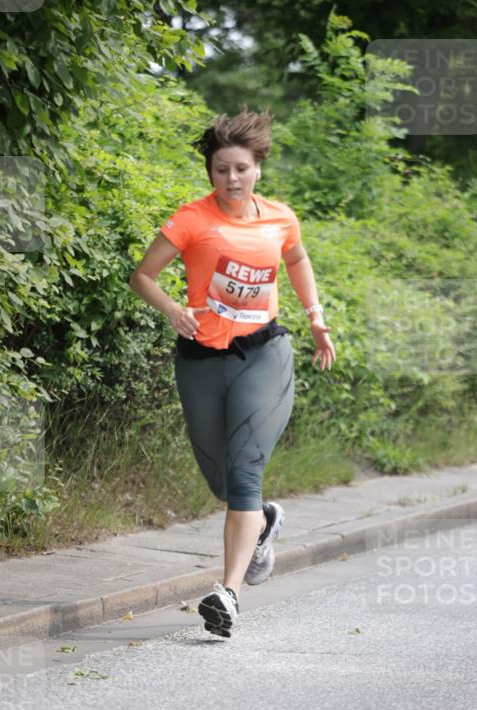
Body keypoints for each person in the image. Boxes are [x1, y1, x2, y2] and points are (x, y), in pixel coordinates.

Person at [129, 108, 335, 638]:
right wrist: (173, 309)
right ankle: (264, 522)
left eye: (241, 168)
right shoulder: (192, 219)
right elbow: (143, 275)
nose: (232, 179)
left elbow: (297, 260)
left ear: (257, 168)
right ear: (211, 172)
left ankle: (229, 595)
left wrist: (316, 319)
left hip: (264, 353)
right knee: (220, 477)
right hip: (200, 357)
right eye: (221, 170)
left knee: (244, 473)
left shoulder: (280, 219)